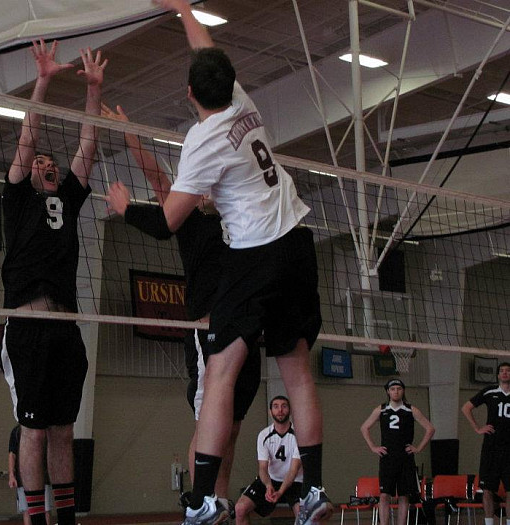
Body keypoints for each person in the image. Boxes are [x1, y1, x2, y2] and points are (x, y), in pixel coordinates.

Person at [104, 2, 330, 524]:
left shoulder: (201, 142)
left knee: (222, 370)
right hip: (298, 240)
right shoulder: (243, 103)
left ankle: (205, 498)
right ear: (230, 83)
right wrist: (183, 8)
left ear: (189, 95)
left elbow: (166, 222)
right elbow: (207, 50)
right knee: (297, 375)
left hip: (257, 253)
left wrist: (123, 209)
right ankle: (314, 490)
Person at [101, 103, 261, 516]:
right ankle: (199, 503)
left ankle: (218, 503)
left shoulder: (242, 219)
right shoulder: (189, 219)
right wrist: (130, 135)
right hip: (209, 333)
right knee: (210, 426)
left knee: (233, 428)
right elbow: (158, 179)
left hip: (245, 332)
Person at [0, 39, 107, 525]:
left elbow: (88, 144)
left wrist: (93, 92)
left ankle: (65, 519)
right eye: (40, 161)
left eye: (51, 162)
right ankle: (34, 518)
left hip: (66, 328)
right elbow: (29, 133)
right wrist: (42, 80)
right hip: (27, 325)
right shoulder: (18, 197)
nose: (47, 163)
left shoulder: (68, 196)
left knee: (64, 429)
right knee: (35, 432)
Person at [360, 379, 435, 525]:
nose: (396, 391)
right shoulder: (381, 409)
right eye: (393, 389)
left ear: (403, 391)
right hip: (387, 457)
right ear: (388, 391)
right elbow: (364, 427)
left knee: (403, 495)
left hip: (405, 457)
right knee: (384, 495)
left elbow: (430, 428)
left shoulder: (410, 409)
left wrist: (418, 447)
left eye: (398, 388)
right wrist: (373, 447)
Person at [235, 396, 303, 525]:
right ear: (270, 411)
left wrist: (281, 492)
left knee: (303, 514)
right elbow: (262, 468)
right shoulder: (264, 435)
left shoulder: (298, 435)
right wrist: (268, 485)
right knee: (240, 508)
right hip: (271, 479)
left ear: (290, 410)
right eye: (276, 406)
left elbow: (293, 470)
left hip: (295, 481)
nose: (280, 410)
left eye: (284, 406)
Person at [461, 362, 510, 525]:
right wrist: (477, 428)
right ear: (497, 375)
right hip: (491, 448)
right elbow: (466, 408)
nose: (505, 373)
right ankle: (489, 523)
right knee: (487, 488)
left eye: (508, 371)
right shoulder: (489, 391)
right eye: (502, 371)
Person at [9, 425, 53, 525]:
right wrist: (12, 474)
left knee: (45, 509)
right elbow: (12, 454)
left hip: (43, 476)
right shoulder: (16, 432)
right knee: (27, 510)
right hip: (23, 477)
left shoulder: (45, 429)